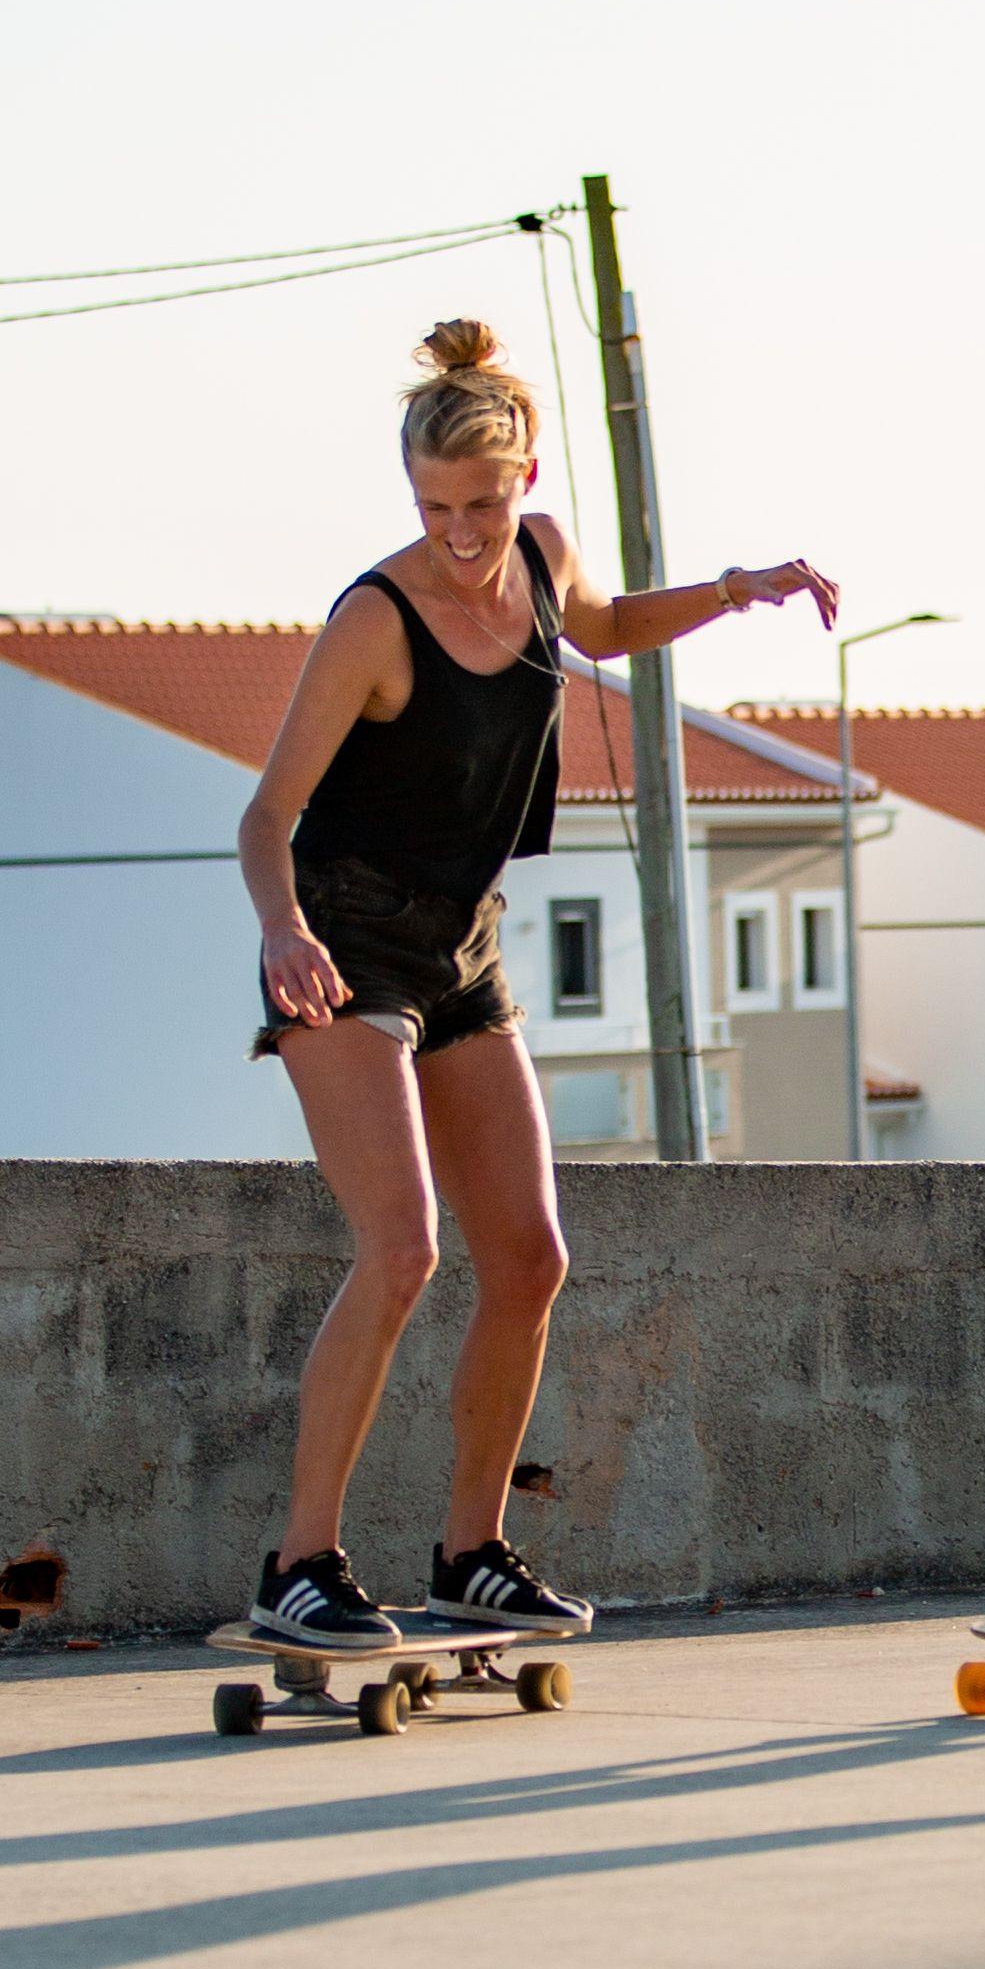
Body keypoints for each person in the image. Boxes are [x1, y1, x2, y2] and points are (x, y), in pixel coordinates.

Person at [237, 317, 837, 1660]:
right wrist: (280, 929)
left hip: (464, 940)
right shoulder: (375, 618)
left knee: (530, 1256)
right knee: (402, 1247)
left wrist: (733, 589)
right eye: (434, 508)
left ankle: (471, 1554)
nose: (461, 534)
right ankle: (299, 1563)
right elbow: (266, 814)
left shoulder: (545, 555)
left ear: (526, 479)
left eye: (482, 504)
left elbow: (601, 625)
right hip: (343, 938)